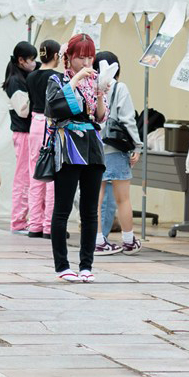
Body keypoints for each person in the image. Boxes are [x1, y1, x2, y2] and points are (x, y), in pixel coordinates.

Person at [45, 33, 107, 282]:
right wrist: (76, 79)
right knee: (62, 208)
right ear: (68, 57)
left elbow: (100, 117)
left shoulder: (95, 81)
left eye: (90, 57)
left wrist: (100, 94)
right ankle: (62, 266)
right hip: (68, 145)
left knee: (90, 210)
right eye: (81, 57)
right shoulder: (57, 80)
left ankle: (86, 266)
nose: (86, 62)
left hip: (92, 145)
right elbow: (54, 108)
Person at [93, 50, 142, 255]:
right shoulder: (120, 87)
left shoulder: (90, 86)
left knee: (95, 198)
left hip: (94, 147)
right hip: (115, 148)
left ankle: (97, 241)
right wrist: (137, 145)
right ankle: (129, 241)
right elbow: (128, 119)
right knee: (123, 198)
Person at [22, 40, 62, 238]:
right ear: (56, 55)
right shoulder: (58, 77)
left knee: (35, 174)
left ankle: (34, 224)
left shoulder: (31, 76)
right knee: (53, 175)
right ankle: (49, 226)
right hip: (51, 124)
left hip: (35, 124)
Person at [3, 42, 42, 235]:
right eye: (31, 60)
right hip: (23, 133)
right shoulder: (14, 81)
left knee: (30, 177)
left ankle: (26, 219)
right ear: (21, 60)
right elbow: (22, 110)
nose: (34, 63)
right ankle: (18, 221)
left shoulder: (25, 76)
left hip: (29, 133)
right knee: (23, 178)